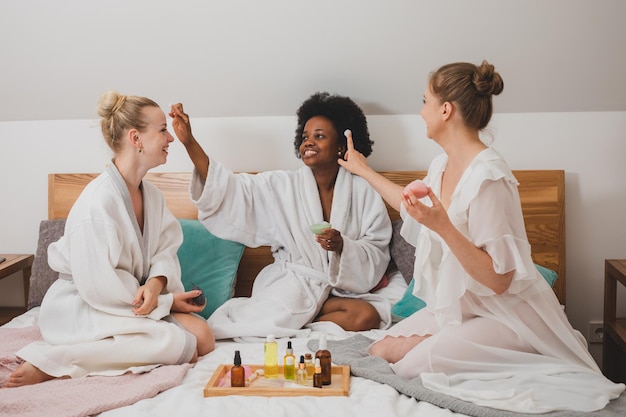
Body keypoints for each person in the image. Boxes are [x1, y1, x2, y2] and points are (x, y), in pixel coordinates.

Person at [338, 61, 624, 413]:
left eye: (424, 101)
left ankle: (527, 353)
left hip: (508, 314)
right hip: (468, 307)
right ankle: (454, 343)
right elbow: (410, 205)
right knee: (380, 349)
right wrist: (362, 169)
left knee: (409, 367)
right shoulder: (441, 165)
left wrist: (443, 225)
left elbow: (499, 280)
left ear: (446, 109)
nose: (421, 111)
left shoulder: (489, 178)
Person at [4, 91, 214, 388]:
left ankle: (71, 357)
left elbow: (165, 248)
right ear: (136, 138)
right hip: (83, 303)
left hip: (128, 299)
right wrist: (166, 303)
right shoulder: (98, 203)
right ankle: (53, 363)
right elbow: (100, 285)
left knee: (202, 337)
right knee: (185, 341)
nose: (170, 139)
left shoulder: (151, 196)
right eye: (163, 130)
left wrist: (157, 285)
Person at [169, 92, 392, 340]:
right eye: (305, 136)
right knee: (269, 316)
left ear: (341, 145)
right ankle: (295, 323)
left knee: (367, 316)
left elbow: (377, 249)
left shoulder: (363, 191)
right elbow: (231, 191)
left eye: (319, 136)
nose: (308, 142)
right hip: (293, 285)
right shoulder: (283, 185)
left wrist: (343, 246)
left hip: (340, 292)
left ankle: (296, 327)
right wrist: (189, 142)